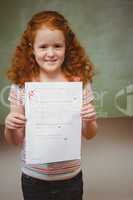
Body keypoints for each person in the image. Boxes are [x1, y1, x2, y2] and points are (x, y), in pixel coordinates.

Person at [4, 10, 97, 200]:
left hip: (70, 178)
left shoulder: (79, 83)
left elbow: (89, 134)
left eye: (57, 46)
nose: (50, 53)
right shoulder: (21, 85)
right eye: (43, 46)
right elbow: (14, 141)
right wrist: (10, 126)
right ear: (32, 48)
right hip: (34, 178)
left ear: (67, 47)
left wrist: (89, 120)